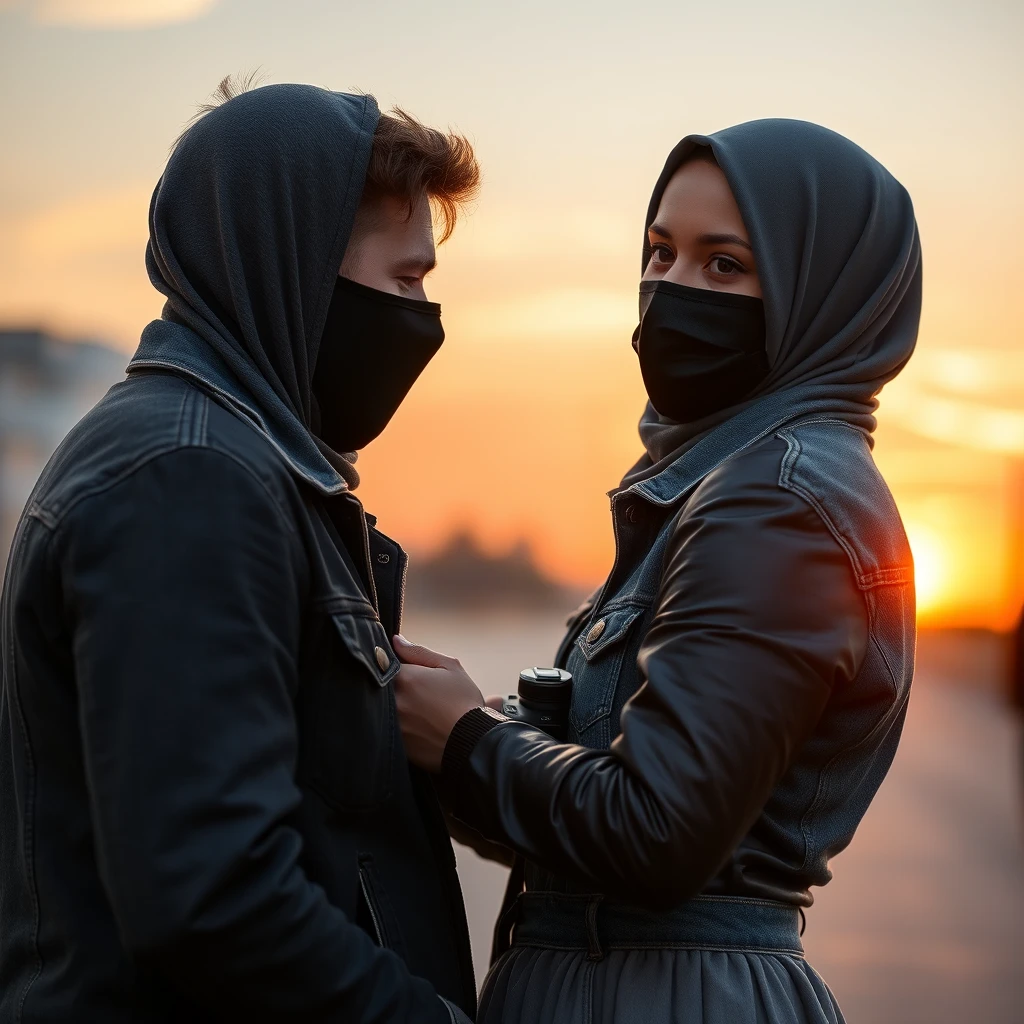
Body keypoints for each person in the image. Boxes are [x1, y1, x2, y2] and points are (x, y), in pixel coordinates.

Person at [392, 118, 921, 1023]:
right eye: (660, 252)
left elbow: (657, 832)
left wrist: (471, 743)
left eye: (725, 265)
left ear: (820, 294)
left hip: (660, 992)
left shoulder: (775, 503)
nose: (673, 289)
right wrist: (460, 734)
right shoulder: (726, 483)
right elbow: (608, 804)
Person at [0, 79, 479, 1023]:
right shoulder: (190, 479)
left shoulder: (239, 465)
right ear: (293, 266)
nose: (426, 320)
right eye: (407, 280)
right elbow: (217, 901)